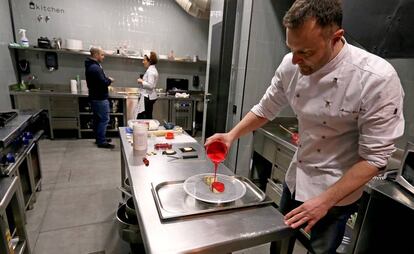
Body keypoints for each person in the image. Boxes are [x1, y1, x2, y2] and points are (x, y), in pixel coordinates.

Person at [205, 0, 405, 253]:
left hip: (337, 191)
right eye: (292, 49)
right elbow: (265, 109)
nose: (296, 60)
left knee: (320, 250)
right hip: (298, 176)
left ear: (336, 37)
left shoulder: (377, 79)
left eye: (306, 52)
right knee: (280, 241)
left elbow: (375, 158)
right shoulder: (291, 64)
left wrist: (324, 202)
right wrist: (231, 135)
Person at [85, 47, 115, 149]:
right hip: (100, 98)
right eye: (102, 55)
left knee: (98, 119)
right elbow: (103, 82)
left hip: (95, 97)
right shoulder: (95, 68)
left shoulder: (92, 66)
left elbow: (99, 81)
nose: (103, 56)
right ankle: (101, 141)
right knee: (104, 120)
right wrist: (109, 80)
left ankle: (99, 138)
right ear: (96, 55)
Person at [136, 51, 159, 119]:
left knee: (143, 118)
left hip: (147, 97)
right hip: (149, 96)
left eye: (144, 60)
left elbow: (150, 86)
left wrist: (141, 81)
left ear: (149, 61)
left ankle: (142, 129)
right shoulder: (152, 69)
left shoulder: (150, 71)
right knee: (148, 117)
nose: (143, 62)